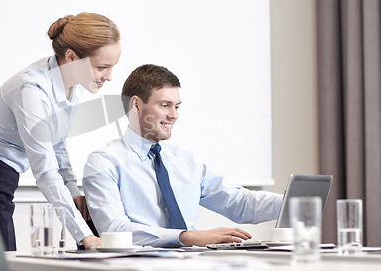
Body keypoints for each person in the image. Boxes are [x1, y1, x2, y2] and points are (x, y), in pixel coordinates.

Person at [0, 12, 121, 250]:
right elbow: (45, 170)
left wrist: (72, 190)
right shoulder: (32, 89)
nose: (109, 77)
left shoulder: (73, 85)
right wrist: (84, 236)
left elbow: (57, 144)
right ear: (72, 57)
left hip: (2, 178)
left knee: (4, 270)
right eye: (102, 67)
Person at [83, 64, 283, 247]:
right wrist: (188, 236)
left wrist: (292, 200)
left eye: (176, 106)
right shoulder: (103, 162)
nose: (174, 115)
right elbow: (114, 231)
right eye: (165, 105)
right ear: (136, 105)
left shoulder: (184, 160)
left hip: (193, 267)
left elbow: (238, 202)